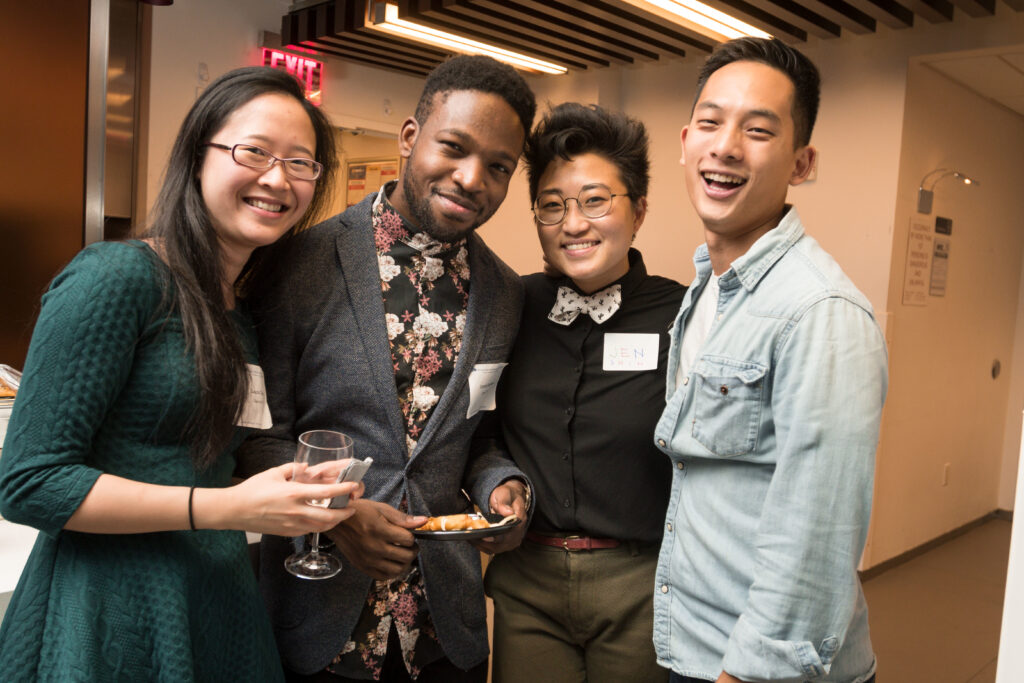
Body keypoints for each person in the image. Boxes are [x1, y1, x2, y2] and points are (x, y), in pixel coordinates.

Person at [0, 66, 363, 682]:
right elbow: (31, 482)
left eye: (301, 163)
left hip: (216, 597)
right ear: (198, 155)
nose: (277, 178)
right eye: (254, 152)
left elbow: (205, 458)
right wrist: (229, 507)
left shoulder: (239, 311)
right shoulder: (117, 278)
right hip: (112, 606)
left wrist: (281, 485)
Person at [236, 55, 535, 683]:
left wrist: (500, 486)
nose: (471, 177)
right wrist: (339, 516)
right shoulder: (298, 263)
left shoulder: (505, 294)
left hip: (443, 628)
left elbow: (477, 437)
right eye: (453, 146)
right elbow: (257, 437)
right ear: (409, 137)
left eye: (499, 167)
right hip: (316, 617)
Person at [652, 38, 887, 683]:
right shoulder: (707, 290)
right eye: (710, 122)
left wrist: (748, 675)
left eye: (757, 131)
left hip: (756, 670)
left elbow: (818, 533)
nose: (725, 146)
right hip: (698, 651)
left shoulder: (820, 311)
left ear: (801, 162)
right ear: (684, 141)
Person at [479, 102, 684, 683]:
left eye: (596, 200)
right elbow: (480, 427)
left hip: (641, 582)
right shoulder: (508, 307)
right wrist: (497, 480)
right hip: (527, 581)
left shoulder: (685, 316)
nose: (574, 224)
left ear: (639, 210)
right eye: (552, 205)